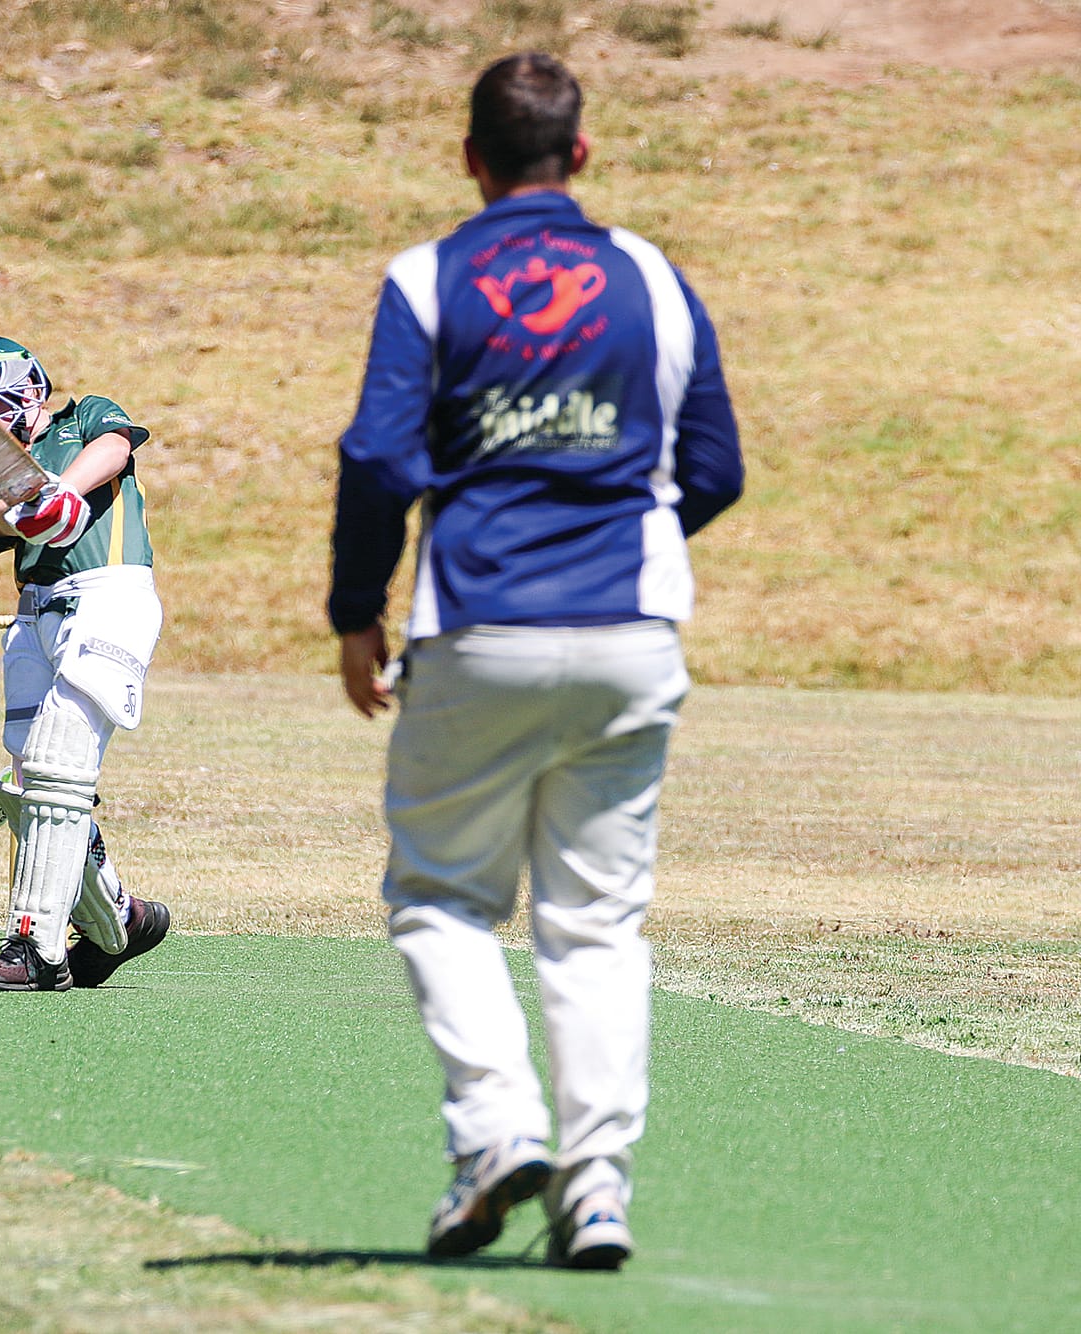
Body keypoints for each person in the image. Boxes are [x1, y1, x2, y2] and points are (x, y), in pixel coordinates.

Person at [327, 53, 744, 1270]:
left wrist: (357, 608)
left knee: (442, 899)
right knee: (596, 922)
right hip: (628, 635)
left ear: (468, 157)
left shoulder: (427, 276)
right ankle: (597, 1188)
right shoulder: (651, 278)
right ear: (581, 154)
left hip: (479, 627)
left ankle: (498, 1131)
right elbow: (711, 464)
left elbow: (376, 458)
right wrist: (632, 538)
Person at [0, 335, 172, 992]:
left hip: (110, 593)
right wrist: (27, 504)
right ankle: (119, 919)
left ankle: (36, 945)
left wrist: (62, 489)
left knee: (62, 758)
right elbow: (5, 519)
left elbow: (116, 447)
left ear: (15, 380)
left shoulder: (83, 417)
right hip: (35, 615)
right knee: (34, 782)